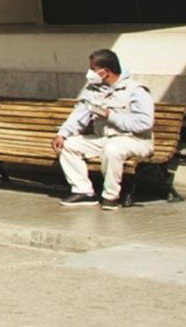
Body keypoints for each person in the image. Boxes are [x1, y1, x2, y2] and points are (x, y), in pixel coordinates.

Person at [54, 48, 154, 209]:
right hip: (102, 138)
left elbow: (144, 123)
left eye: (93, 69)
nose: (89, 73)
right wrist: (63, 134)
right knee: (69, 145)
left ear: (105, 71)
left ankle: (110, 197)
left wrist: (111, 116)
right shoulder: (93, 89)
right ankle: (84, 192)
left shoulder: (136, 91)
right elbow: (78, 115)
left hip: (134, 140)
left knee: (112, 149)